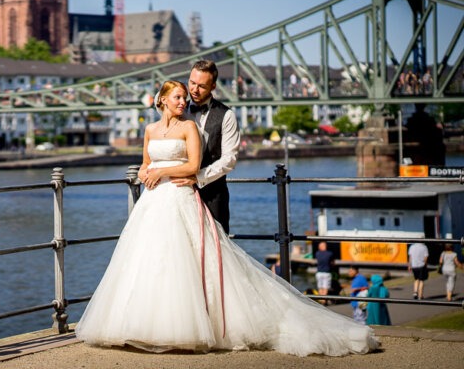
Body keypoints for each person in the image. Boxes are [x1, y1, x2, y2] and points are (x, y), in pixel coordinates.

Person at [75, 80, 378, 356]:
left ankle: (183, 327)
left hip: (180, 196)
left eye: (184, 97)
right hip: (153, 202)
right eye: (178, 97)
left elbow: (193, 166)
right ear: (163, 100)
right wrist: (145, 172)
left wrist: (162, 171)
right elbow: (145, 163)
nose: (183, 102)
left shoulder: (189, 127)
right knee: (149, 261)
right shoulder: (150, 130)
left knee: (183, 261)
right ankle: (139, 324)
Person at [171, 60, 240, 233]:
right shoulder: (177, 110)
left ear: (213, 86)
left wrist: (198, 177)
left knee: (216, 251)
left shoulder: (227, 115)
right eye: (192, 83)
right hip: (177, 193)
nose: (194, 90)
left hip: (213, 196)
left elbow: (229, 159)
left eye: (201, 86)